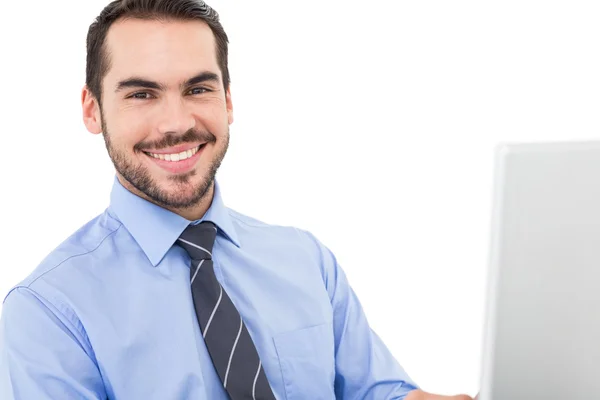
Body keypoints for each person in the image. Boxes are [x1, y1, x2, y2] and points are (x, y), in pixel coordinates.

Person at [0, 1, 477, 399]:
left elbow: (373, 390)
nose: (175, 123)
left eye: (198, 88)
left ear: (228, 101)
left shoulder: (305, 261)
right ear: (92, 110)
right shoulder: (48, 311)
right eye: (142, 94)